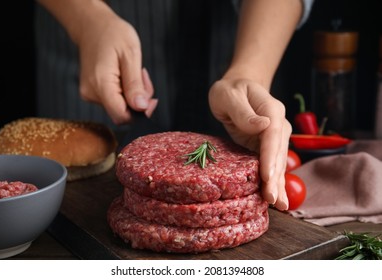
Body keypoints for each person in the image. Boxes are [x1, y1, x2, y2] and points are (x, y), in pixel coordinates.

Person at [34, 0, 314, 211]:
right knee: (78, 192)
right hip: (95, 36)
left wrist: (249, 74)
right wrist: (86, 20)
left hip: (243, 32)